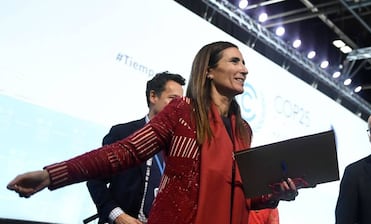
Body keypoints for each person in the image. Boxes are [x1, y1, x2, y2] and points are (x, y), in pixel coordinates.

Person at [7, 41, 299, 224]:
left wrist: (274, 195)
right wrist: (51, 174)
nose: (244, 69)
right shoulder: (182, 112)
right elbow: (124, 152)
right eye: (235, 61)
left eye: (244, 62)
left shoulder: (243, 130)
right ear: (208, 71)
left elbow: (241, 193)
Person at [86, 71, 186, 224]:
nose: (178, 107)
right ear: (153, 96)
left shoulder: (180, 145)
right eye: (173, 99)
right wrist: (117, 216)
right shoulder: (123, 133)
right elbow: (95, 180)